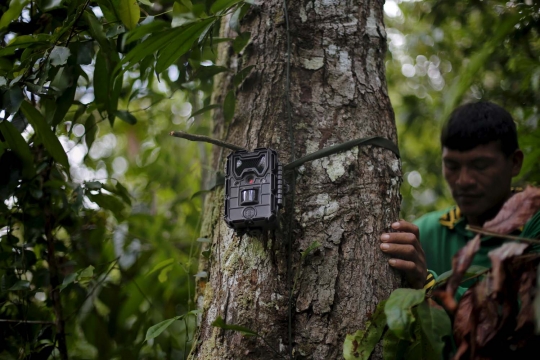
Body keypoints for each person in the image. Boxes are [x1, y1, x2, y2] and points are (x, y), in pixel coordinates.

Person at [379, 101, 540, 290]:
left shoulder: (533, 225)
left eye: (480, 166)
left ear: (515, 163)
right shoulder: (426, 234)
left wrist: (429, 284)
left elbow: (524, 313)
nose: (463, 181)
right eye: (452, 166)